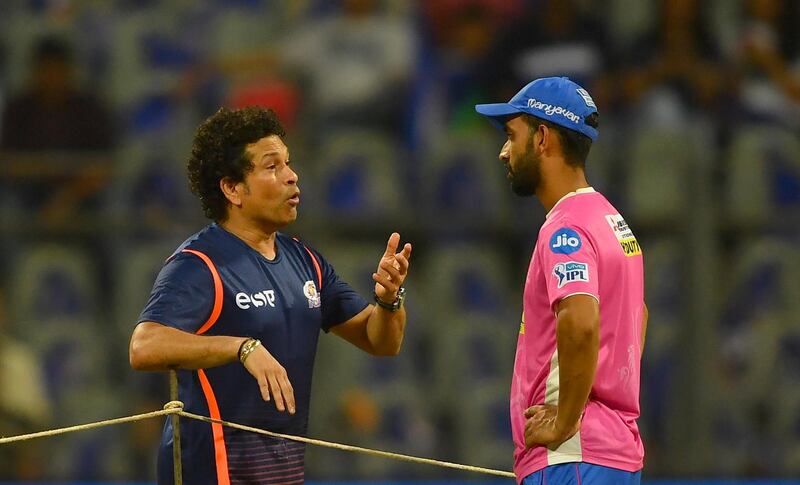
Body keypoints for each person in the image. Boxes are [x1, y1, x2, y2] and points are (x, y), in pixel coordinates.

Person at [128, 106, 412, 485]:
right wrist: (242, 348)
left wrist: (389, 299)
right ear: (232, 189)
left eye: (289, 164)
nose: (293, 177)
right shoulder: (200, 264)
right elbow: (143, 346)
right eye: (272, 167)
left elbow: (381, 341)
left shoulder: (305, 261)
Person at [475, 77, 647, 484]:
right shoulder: (612, 221)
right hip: (612, 457)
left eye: (512, 135)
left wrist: (565, 421)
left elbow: (581, 323)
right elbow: (637, 316)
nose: (503, 152)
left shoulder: (564, 231)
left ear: (542, 139)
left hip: (572, 459)